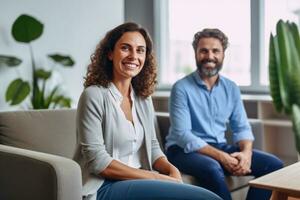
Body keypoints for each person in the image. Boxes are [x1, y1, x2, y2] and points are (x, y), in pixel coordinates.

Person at [75, 22, 222, 200]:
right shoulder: (93, 96)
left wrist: (171, 170)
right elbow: (98, 162)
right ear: (110, 53)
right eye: (125, 48)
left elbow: (153, 147)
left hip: (139, 179)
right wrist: (156, 177)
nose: (133, 56)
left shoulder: (143, 99)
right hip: (104, 186)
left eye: (140, 50)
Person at [165, 28, 284, 200]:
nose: (210, 56)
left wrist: (246, 154)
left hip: (218, 145)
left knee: (274, 165)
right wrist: (222, 157)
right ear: (196, 53)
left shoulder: (231, 87)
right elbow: (183, 135)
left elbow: (241, 126)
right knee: (213, 167)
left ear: (223, 54)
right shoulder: (181, 88)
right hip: (182, 150)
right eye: (204, 50)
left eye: (215, 51)